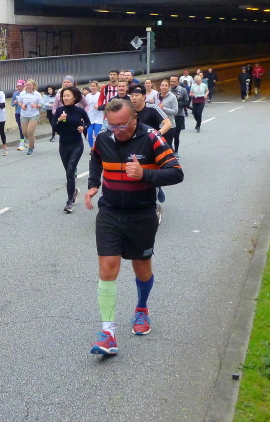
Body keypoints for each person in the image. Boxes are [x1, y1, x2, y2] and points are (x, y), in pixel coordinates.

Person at [84, 98, 183, 355]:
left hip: (141, 214)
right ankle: (108, 333)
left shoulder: (151, 138)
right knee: (107, 268)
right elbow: (95, 159)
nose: (117, 131)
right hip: (110, 212)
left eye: (122, 125)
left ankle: (141, 309)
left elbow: (176, 172)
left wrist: (145, 174)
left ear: (134, 119)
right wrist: (93, 185)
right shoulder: (104, 138)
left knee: (142, 268)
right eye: (112, 125)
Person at [53, 87, 90, 213]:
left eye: (68, 95)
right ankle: (74, 192)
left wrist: (83, 127)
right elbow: (55, 128)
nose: (65, 98)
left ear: (74, 97)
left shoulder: (80, 111)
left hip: (77, 144)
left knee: (70, 172)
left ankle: (69, 202)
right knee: (68, 173)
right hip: (63, 144)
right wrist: (59, 120)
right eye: (64, 96)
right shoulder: (60, 110)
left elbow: (88, 123)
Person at [18, 79, 44, 155]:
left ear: (33, 86)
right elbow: (19, 102)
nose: (28, 86)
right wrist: (22, 106)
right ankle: (32, 141)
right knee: (24, 132)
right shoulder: (22, 93)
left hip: (34, 115)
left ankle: (30, 147)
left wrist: (36, 106)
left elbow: (41, 105)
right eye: (27, 85)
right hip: (24, 114)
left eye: (30, 85)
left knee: (29, 131)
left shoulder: (37, 94)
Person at [169, 76, 189, 155]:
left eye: (174, 81)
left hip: (179, 115)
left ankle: (176, 151)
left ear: (178, 82)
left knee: (176, 134)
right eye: (171, 81)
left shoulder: (183, 90)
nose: (172, 83)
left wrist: (177, 104)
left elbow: (187, 102)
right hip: (168, 116)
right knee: (168, 135)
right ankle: (170, 150)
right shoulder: (167, 90)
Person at [84, 81, 103, 148]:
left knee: (97, 134)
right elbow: (86, 106)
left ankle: (97, 148)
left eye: (94, 86)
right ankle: (92, 148)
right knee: (89, 134)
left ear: (97, 87)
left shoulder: (100, 95)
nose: (92, 87)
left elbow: (103, 105)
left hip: (98, 118)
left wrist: (99, 107)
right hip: (90, 118)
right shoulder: (88, 96)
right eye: (91, 86)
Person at [11, 80, 26, 150]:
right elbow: (12, 104)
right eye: (18, 86)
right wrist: (14, 102)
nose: (19, 88)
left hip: (25, 113)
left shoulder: (26, 93)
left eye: (21, 86)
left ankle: (24, 141)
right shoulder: (15, 94)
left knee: (23, 128)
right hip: (17, 112)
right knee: (20, 127)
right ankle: (23, 141)